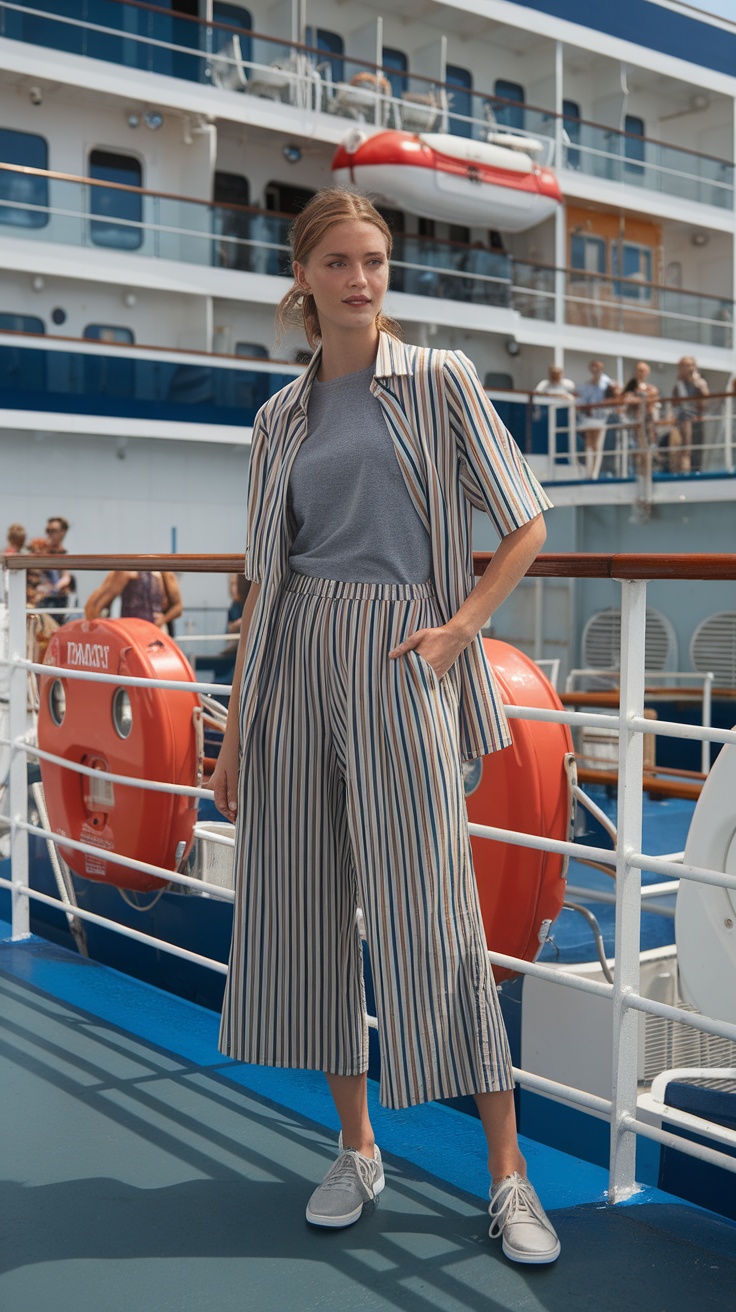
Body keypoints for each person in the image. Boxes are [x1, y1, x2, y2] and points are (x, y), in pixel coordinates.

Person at [210, 188, 561, 1265]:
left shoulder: (440, 379)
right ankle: (356, 1145)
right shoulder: (280, 417)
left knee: (436, 917)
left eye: (374, 260)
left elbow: (527, 522)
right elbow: (268, 579)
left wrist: (459, 629)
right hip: (294, 657)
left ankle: (507, 1173)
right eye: (339, 263)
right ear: (304, 277)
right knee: (311, 914)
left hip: (406, 655)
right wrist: (234, 730)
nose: (360, 279)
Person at [84, 570, 182, 628]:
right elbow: (93, 607)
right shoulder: (124, 572)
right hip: (132, 631)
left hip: (154, 630)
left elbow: (178, 607)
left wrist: (163, 619)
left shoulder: (164, 573)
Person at [672, 355, 709, 473]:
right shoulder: (678, 385)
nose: (688, 368)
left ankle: (697, 470)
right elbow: (675, 403)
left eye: (690, 365)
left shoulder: (700, 382)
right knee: (686, 447)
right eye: (685, 366)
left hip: (697, 419)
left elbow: (705, 400)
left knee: (698, 447)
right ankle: (685, 470)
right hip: (684, 419)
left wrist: (698, 383)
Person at [576, 360, 612, 480]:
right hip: (588, 418)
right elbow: (581, 400)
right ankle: (589, 471)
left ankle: (595, 473)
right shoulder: (586, 386)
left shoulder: (607, 383)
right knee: (589, 444)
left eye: (598, 367)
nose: (596, 369)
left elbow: (611, 397)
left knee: (596, 445)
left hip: (600, 418)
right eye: (594, 367)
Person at [623, 362, 660, 473]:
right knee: (635, 449)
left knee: (647, 448)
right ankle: (638, 472)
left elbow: (652, 398)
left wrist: (639, 400)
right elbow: (626, 399)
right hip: (633, 423)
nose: (640, 373)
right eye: (638, 370)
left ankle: (647, 471)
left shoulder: (650, 388)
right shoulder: (631, 388)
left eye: (642, 370)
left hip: (646, 423)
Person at [36, 516, 74, 613]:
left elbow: (65, 575)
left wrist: (64, 581)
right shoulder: (40, 548)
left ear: (63, 532)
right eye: (48, 531)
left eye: (54, 531)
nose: (50, 534)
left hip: (58, 600)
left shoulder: (62, 552)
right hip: (42, 600)